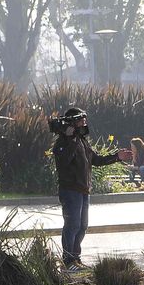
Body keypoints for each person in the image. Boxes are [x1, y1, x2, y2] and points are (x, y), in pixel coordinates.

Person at [51, 107, 131, 271]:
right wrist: (70, 139)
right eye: (81, 120)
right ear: (72, 122)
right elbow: (64, 161)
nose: (84, 123)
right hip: (70, 190)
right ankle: (68, 261)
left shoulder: (82, 141)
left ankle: (76, 258)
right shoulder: (62, 143)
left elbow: (96, 160)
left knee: (82, 226)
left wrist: (116, 157)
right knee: (72, 225)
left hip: (83, 190)